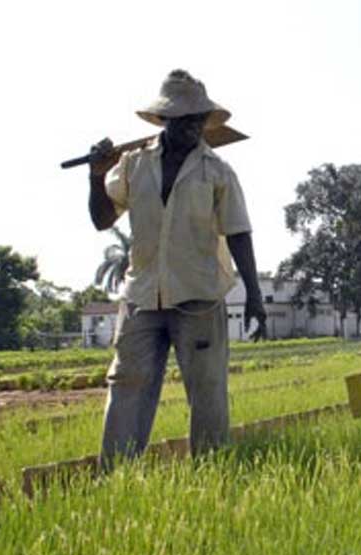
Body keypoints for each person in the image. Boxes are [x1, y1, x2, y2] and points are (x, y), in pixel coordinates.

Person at [86, 69, 266, 470]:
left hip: (198, 297)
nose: (192, 127)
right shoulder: (133, 165)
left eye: (198, 119)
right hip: (143, 296)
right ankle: (116, 475)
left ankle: (211, 472)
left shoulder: (217, 171)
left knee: (207, 392)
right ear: (165, 120)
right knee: (127, 385)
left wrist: (254, 296)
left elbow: (239, 233)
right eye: (183, 120)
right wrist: (96, 176)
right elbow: (102, 219)